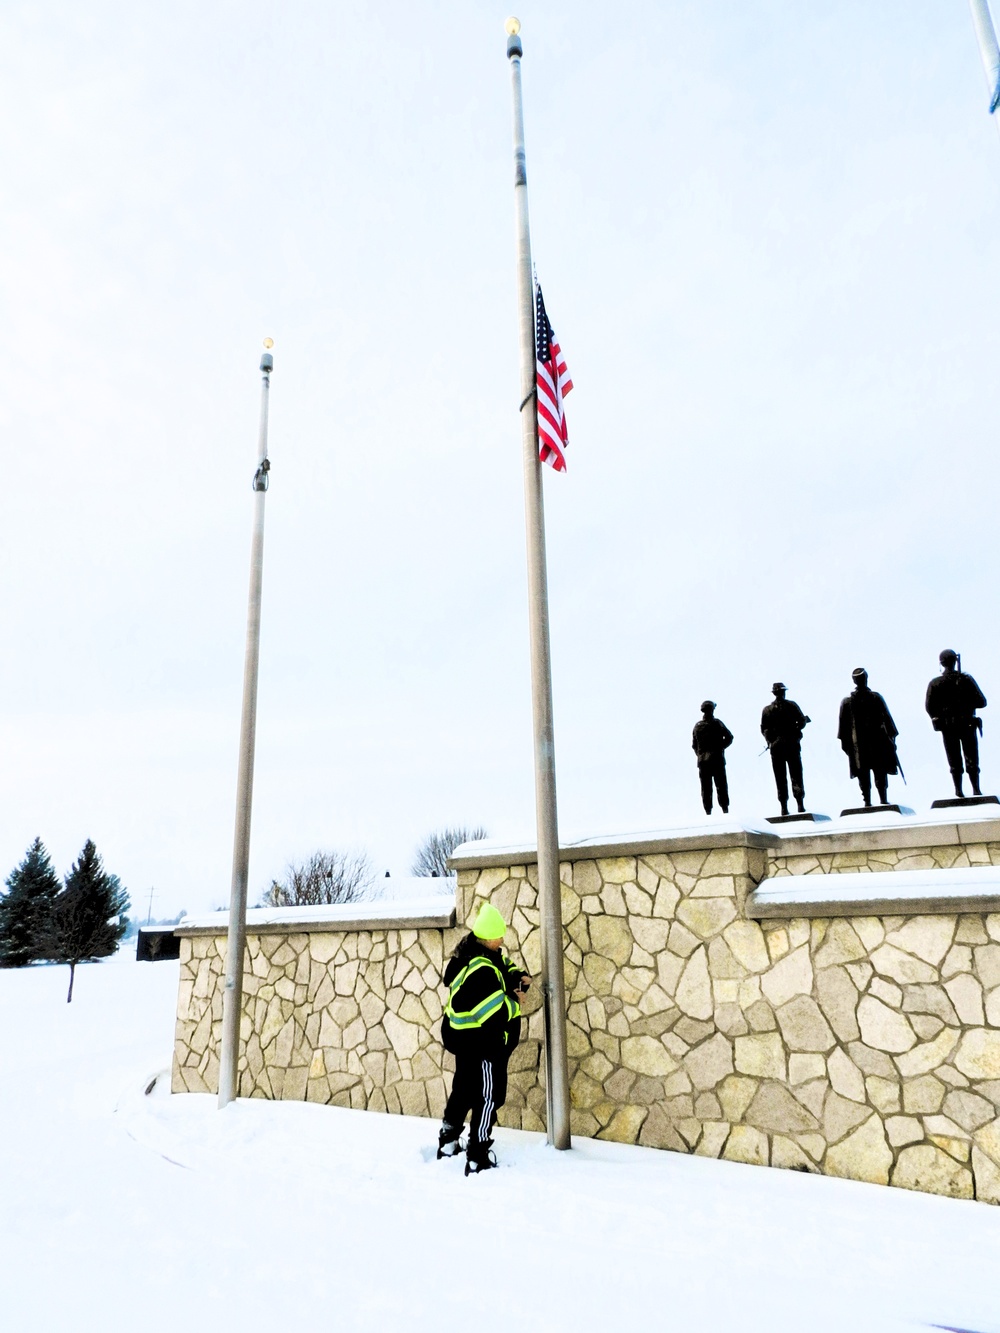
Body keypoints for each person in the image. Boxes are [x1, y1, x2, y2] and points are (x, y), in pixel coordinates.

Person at [437, 903, 530, 1175]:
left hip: (468, 1042)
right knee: (488, 1097)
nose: (502, 940)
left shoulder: (476, 956)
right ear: (488, 937)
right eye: (499, 935)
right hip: (486, 1045)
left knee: (464, 1089)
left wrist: (516, 976)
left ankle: (448, 1140)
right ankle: (477, 1155)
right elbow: (494, 1013)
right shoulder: (482, 972)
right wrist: (516, 999)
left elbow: (503, 965)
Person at [926, 649, 988, 798]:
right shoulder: (966, 680)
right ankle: (975, 789)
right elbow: (981, 701)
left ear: (941, 663)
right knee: (971, 759)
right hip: (966, 724)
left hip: (949, 727)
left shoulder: (936, 683)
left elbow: (930, 707)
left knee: (954, 760)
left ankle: (959, 790)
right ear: (955, 662)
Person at [837, 668, 900, 807]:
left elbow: (887, 722)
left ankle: (872, 800)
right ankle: (875, 800)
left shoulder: (873, 698)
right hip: (865, 744)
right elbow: (844, 729)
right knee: (872, 772)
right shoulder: (853, 702)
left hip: (871, 744)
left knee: (872, 772)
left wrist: (890, 739)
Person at [760, 682, 810, 817]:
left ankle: (784, 807)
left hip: (777, 747)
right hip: (791, 745)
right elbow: (801, 722)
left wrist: (771, 740)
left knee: (780, 777)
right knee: (796, 774)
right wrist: (797, 730)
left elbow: (764, 729)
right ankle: (800, 804)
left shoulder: (767, 710)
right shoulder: (791, 706)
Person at [692, 701, 733, 815]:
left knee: (706, 788)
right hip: (717, 760)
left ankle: (708, 811)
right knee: (721, 786)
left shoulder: (697, 726)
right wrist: (720, 748)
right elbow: (729, 737)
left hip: (703, 762)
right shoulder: (717, 723)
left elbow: (694, 745)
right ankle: (725, 809)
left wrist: (701, 755)